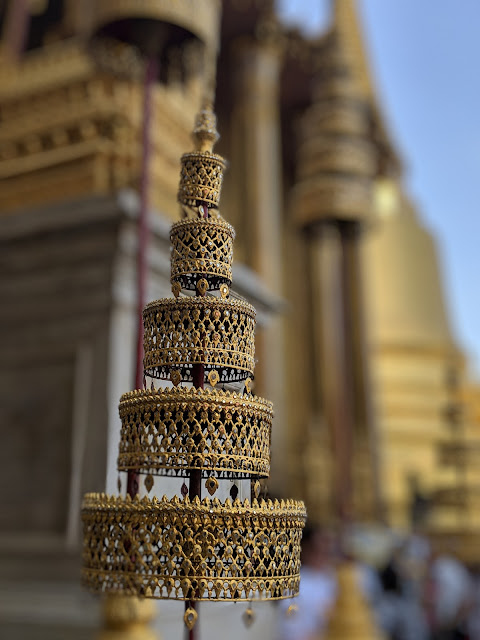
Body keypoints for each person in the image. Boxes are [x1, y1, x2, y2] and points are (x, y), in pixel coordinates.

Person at [278, 524, 337, 640]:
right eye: (317, 548)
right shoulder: (293, 583)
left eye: (326, 548)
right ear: (305, 548)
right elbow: (290, 627)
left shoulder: (332, 576)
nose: (323, 552)